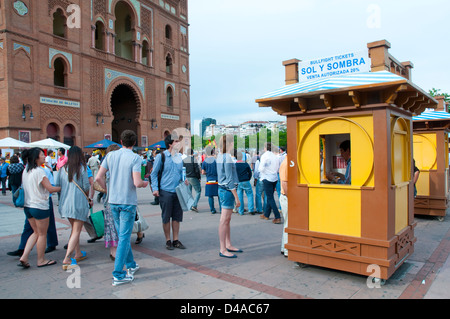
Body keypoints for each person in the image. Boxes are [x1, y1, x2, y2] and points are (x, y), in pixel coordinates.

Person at [95, 130, 148, 286]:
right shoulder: (135, 158)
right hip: (127, 202)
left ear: (121, 141)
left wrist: (107, 190)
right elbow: (137, 182)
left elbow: (98, 177)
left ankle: (131, 265)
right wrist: (145, 183)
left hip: (113, 201)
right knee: (124, 237)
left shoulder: (110, 156)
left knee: (122, 235)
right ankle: (118, 274)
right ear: (134, 142)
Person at [17, 148, 61, 269]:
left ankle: (24, 256)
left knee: (36, 232)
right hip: (39, 206)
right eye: (42, 154)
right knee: (42, 234)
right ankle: (41, 259)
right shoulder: (39, 171)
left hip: (28, 206)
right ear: (36, 157)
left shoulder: (26, 171)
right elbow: (50, 188)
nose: (44, 157)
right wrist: (61, 187)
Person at [56, 146, 91, 271]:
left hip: (65, 203)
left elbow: (58, 186)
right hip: (79, 202)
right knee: (77, 231)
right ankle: (67, 258)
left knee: (74, 230)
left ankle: (78, 253)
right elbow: (86, 186)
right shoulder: (82, 168)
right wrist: (88, 198)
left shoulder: (62, 169)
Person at [151, 134, 187, 251]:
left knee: (177, 217)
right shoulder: (161, 157)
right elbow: (154, 174)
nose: (178, 143)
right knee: (166, 217)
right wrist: (155, 188)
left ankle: (176, 239)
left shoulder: (179, 157)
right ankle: (168, 240)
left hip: (178, 191)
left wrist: (184, 179)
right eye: (176, 141)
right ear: (170, 144)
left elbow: (182, 172)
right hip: (165, 191)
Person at [217, 134, 241, 258]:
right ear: (229, 144)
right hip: (227, 191)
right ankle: (223, 248)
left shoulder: (220, 156)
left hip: (223, 189)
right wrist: (237, 197)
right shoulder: (226, 157)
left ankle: (227, 244)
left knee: (226, 220)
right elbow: (229, 180)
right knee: (224, 220)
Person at [99, 144, 121, 260]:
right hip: (118, 198)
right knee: (118, 225)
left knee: (110, 225)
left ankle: (113, 251)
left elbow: (98, 178)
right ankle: (118, 252)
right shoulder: (119, 165)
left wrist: (106, 190)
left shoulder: (106, 164)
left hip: (108, 199)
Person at [259, 143, 281, 224]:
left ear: (265, 148)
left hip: (267, 177)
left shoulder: (265, 156)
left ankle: (277, 216)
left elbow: (261, 168)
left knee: (270, 198)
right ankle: (266, 214)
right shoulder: (275, 156)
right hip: (274, 178)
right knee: (269, 196)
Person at [201, 146, 221, 214]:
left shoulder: (204, 162)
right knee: (219, 196)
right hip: (217, 180)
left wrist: (208, 173)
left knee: (210, 196)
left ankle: (212, 210)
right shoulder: (216, 161)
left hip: (209, 181)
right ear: (213, 152)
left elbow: (203, 172)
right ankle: (221, 209)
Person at [235, 150, 255, 215]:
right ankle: (251, 209)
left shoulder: (235, 165)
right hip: (246, 180)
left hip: (239, 182)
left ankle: (241, 211)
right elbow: (250, 172)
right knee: (250, 194)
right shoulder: (245, 164)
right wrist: (248, 178)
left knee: (240, 196)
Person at [279, 154, 288, 257]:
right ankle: (287, 249)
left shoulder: (287, 162)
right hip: (286, 196)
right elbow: (285, 183)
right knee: (288, 223)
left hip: (285, 196)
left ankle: (283, 247)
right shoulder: (286, 163)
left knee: (287, 222)